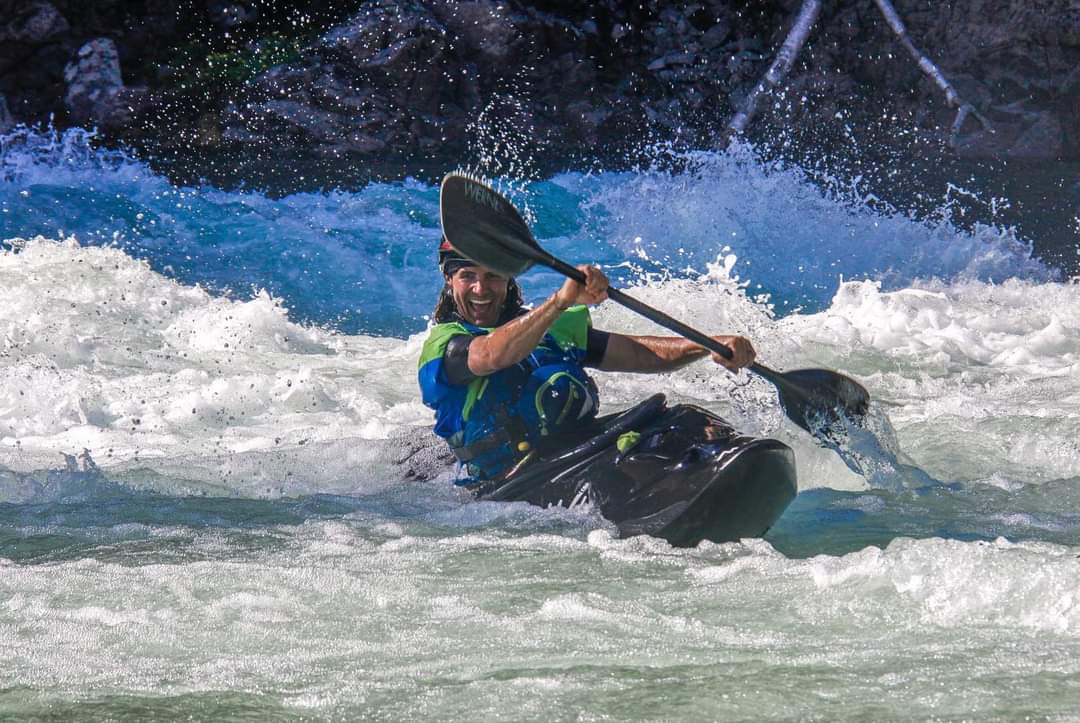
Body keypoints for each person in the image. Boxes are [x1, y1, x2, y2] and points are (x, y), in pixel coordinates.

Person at [418, 239, 757, 483]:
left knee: (691, 422)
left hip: (581, 449)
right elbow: (493, 353)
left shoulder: (551, 329)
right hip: (510, 480)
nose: (481, 288)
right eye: (468, 276)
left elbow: (641, 354)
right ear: (450, 281)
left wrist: (706, 345)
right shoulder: (444, 345)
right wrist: (560, 301)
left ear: (508, 281)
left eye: (493, 276)